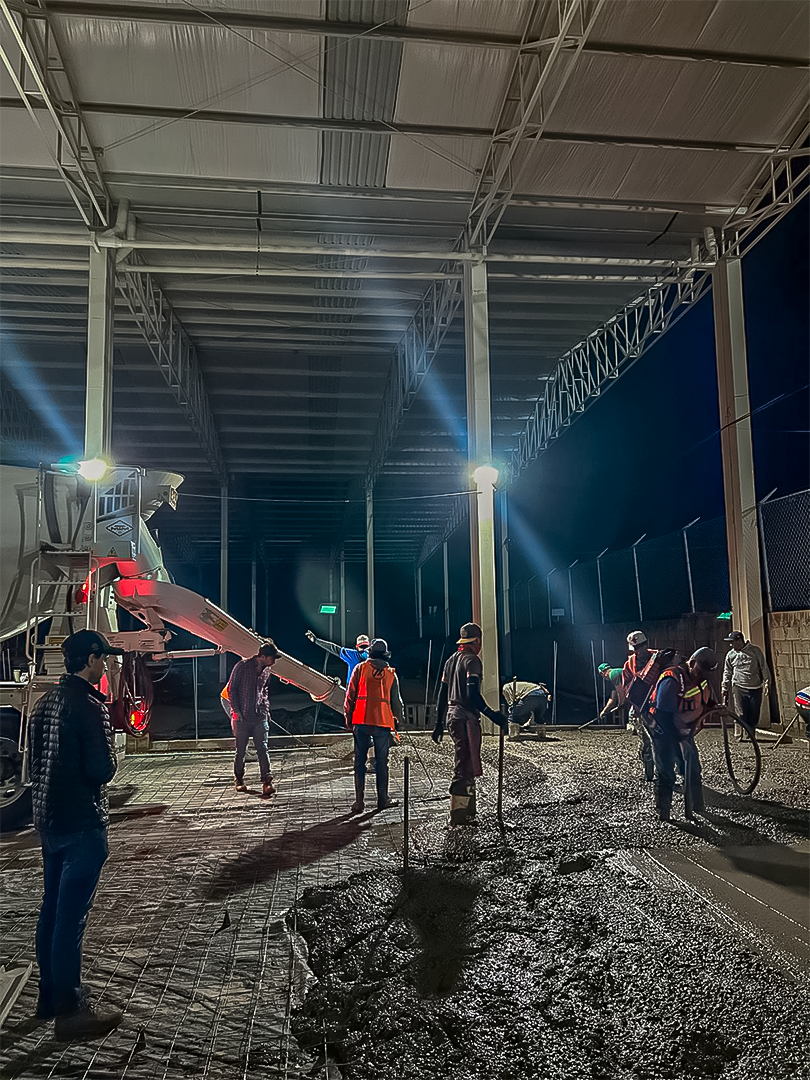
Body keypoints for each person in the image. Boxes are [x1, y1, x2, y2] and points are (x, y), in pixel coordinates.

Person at [28, 629, 124, 1041]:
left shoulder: (45, 702)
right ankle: (71, 1010)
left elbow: (33, 764)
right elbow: (100, 771)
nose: (105, 666)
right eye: (102, 660)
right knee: (71, 918)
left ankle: (48, 996)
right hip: (83, 824)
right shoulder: (89, 706)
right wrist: (114, 747)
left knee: (51, 909)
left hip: (50, 823)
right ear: (89, 660)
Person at [432, 622, 508, 797]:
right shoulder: (472, 661)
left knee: (463, 756)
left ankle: (466, 802)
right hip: (465, 717)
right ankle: (460, 807)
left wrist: (438, 723)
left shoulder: (450, 661)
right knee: (466, 760)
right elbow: (472, 694)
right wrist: (492, 715)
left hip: (451, 716)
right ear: (477, 641)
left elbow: (442, 694)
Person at [646, 648, 718, 822]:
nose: (704, 677)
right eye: (702, 672)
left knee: (692, 768)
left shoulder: (701, 678)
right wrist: (681, 741)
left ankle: (697, 806)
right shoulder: (672, 679)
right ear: (692, 664)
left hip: (684, 730)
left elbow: (703, 701)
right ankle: (664, 813)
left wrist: (715, 708)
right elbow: (664, 715)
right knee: (666, 772)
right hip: (662, 729)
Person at [344, 638, 404, 813]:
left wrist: (348, 718)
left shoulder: (360, 669)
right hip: (382, 723)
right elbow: (397, 702)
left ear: (369, 652)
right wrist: (398, 721)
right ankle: (382, 800)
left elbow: (350, 696)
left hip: (361, 721)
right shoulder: (391, 673)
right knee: (382, 763)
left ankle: (359, 803)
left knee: (359, 763)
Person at [226, 641, 279, 796]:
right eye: (271, 658)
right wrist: (236, 711)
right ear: (262, 656)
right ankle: (239, 779)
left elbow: (264, 691)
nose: (273, 661)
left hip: (259, 716)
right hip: (241, 716)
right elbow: (231, 689)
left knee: (262, 748)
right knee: (241, 750)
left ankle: (267, 782)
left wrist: (265, 709)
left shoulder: (266, 671)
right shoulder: (242, 666)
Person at [621, 631, 660, 781]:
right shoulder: (629, 664)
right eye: (635, 648)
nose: (638, 651)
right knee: (647, 741)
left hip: (660, 707)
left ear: (646, 644)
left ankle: (665, 773)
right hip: (642, 708)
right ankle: (649, 773)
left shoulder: (659, 659)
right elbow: (626, 688)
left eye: (640, 647)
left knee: (663, 741)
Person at [721, 630, 770, 737]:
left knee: (754, 712)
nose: (731, 644)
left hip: (755, 686)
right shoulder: (731, 655)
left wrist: (767, 681)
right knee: (740, 711)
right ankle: (739, 728)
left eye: (733, 641)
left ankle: (750, 730)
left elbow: (763, 666)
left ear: (740, 640)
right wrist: (724, 687)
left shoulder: (755, 651)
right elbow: (727, 671)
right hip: (738, 686)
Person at [305, 629, 370, 683]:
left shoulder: (352, 655)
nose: (364, 649)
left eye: (365, 646)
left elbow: (334, 648)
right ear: (357, 647)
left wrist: (316, 640)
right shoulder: (354, 654)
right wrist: (316, 641)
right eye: (362, 646)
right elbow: (333, 648)